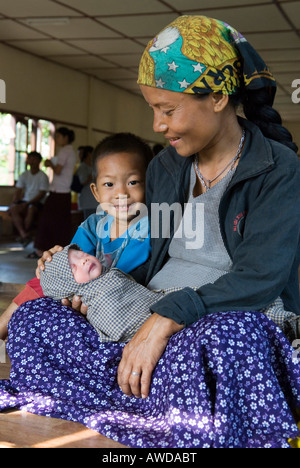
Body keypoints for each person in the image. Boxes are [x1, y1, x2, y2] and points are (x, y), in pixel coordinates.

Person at [0, 16, 299, 449]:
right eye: (153, 109)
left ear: (217, 96)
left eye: (168, 109)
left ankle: (143, 390)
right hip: (143, 310)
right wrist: (89, 278)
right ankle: (159, 396)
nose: (157, 125)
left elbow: (261, 277)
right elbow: (143, 242)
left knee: (232, 341)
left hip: (218, 316)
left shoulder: (276, 169)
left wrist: (167, 320)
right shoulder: (166, 167)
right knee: (35, 319)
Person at [0, 132, 153, 338]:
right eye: (109, 184)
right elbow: (68, 268)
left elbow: (118, 277)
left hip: (118, 309)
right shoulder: (93, 225)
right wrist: (53, 264)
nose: (121, 194)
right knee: (44, 279)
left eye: (133, 182)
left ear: (150, 185)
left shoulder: (146, 227)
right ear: (95, 192)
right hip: (81, 298)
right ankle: (4, 324)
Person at [40, 244, 162, 343]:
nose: (84, 260)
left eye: (83, 254)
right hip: (136, 333)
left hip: (157, 315)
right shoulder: (90, 227)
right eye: (73, 268)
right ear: (65, 286)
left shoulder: (110, 275)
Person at [27, 127, 77, 258]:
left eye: (59, 136)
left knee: (46, 220)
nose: (57, 139)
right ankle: (60, 249)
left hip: (58, 192)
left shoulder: (65, 151)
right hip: (64, 192)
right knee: (60, 222)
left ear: (66, 137)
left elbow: (58, 170)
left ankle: (42, 249)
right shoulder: (70, 152)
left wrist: (49, 164)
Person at [9, 151, 49, 246]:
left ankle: (25, 234)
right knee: (14, 209)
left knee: (31, 209)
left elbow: (42, 194)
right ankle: (24, 234)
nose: (32, 161)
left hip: (37, 202)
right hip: (25, 201)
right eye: (30, 158)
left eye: (34, 159)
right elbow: (18, 191)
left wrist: (27, 204)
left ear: (39, 161)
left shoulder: (43, 176)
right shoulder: (24, 175)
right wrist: (13, 203)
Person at [75, 146, 99, 219]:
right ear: (89, 154)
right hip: (88, 202)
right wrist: (92, 176)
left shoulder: (93, 167)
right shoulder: (83, 167)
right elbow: (83, 181)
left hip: (95, 202)